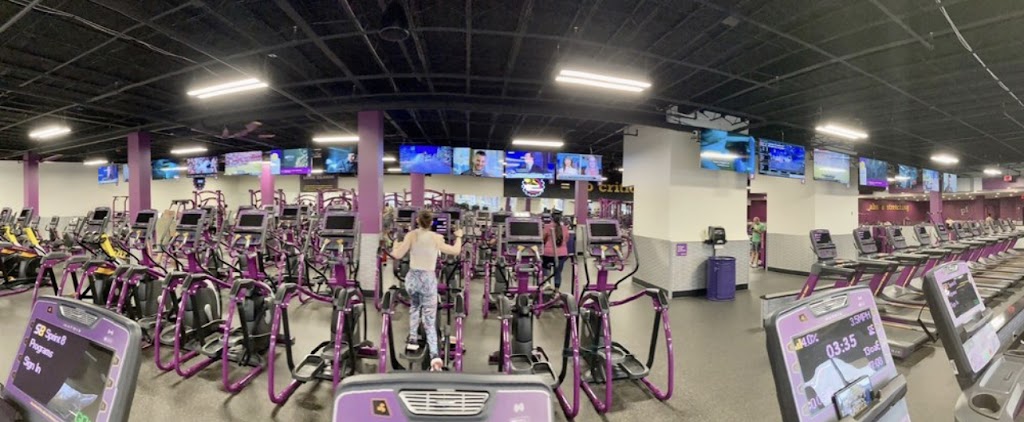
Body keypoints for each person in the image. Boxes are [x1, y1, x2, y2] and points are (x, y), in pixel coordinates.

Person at [388, 210, 464, 371]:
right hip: (427, 279)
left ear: (417, 221)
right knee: (429, 319)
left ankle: (413, 340)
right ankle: (435, 356)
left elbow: (396, 255)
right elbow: (455, 251)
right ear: (431, 223)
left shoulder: (411, 235)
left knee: (415, 308)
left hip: (412, 279)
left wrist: (395, 243)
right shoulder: (436, 238)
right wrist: (459, 236)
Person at [543, 210, 570, 292]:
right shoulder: (565, 228)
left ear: (551, 218)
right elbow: (566, 239)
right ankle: (557, 290)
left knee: (545, 265)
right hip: (562, 254)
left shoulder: (547, 227)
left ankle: (547, 283)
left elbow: (543, 238)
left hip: (548, 254)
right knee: (558, 272)